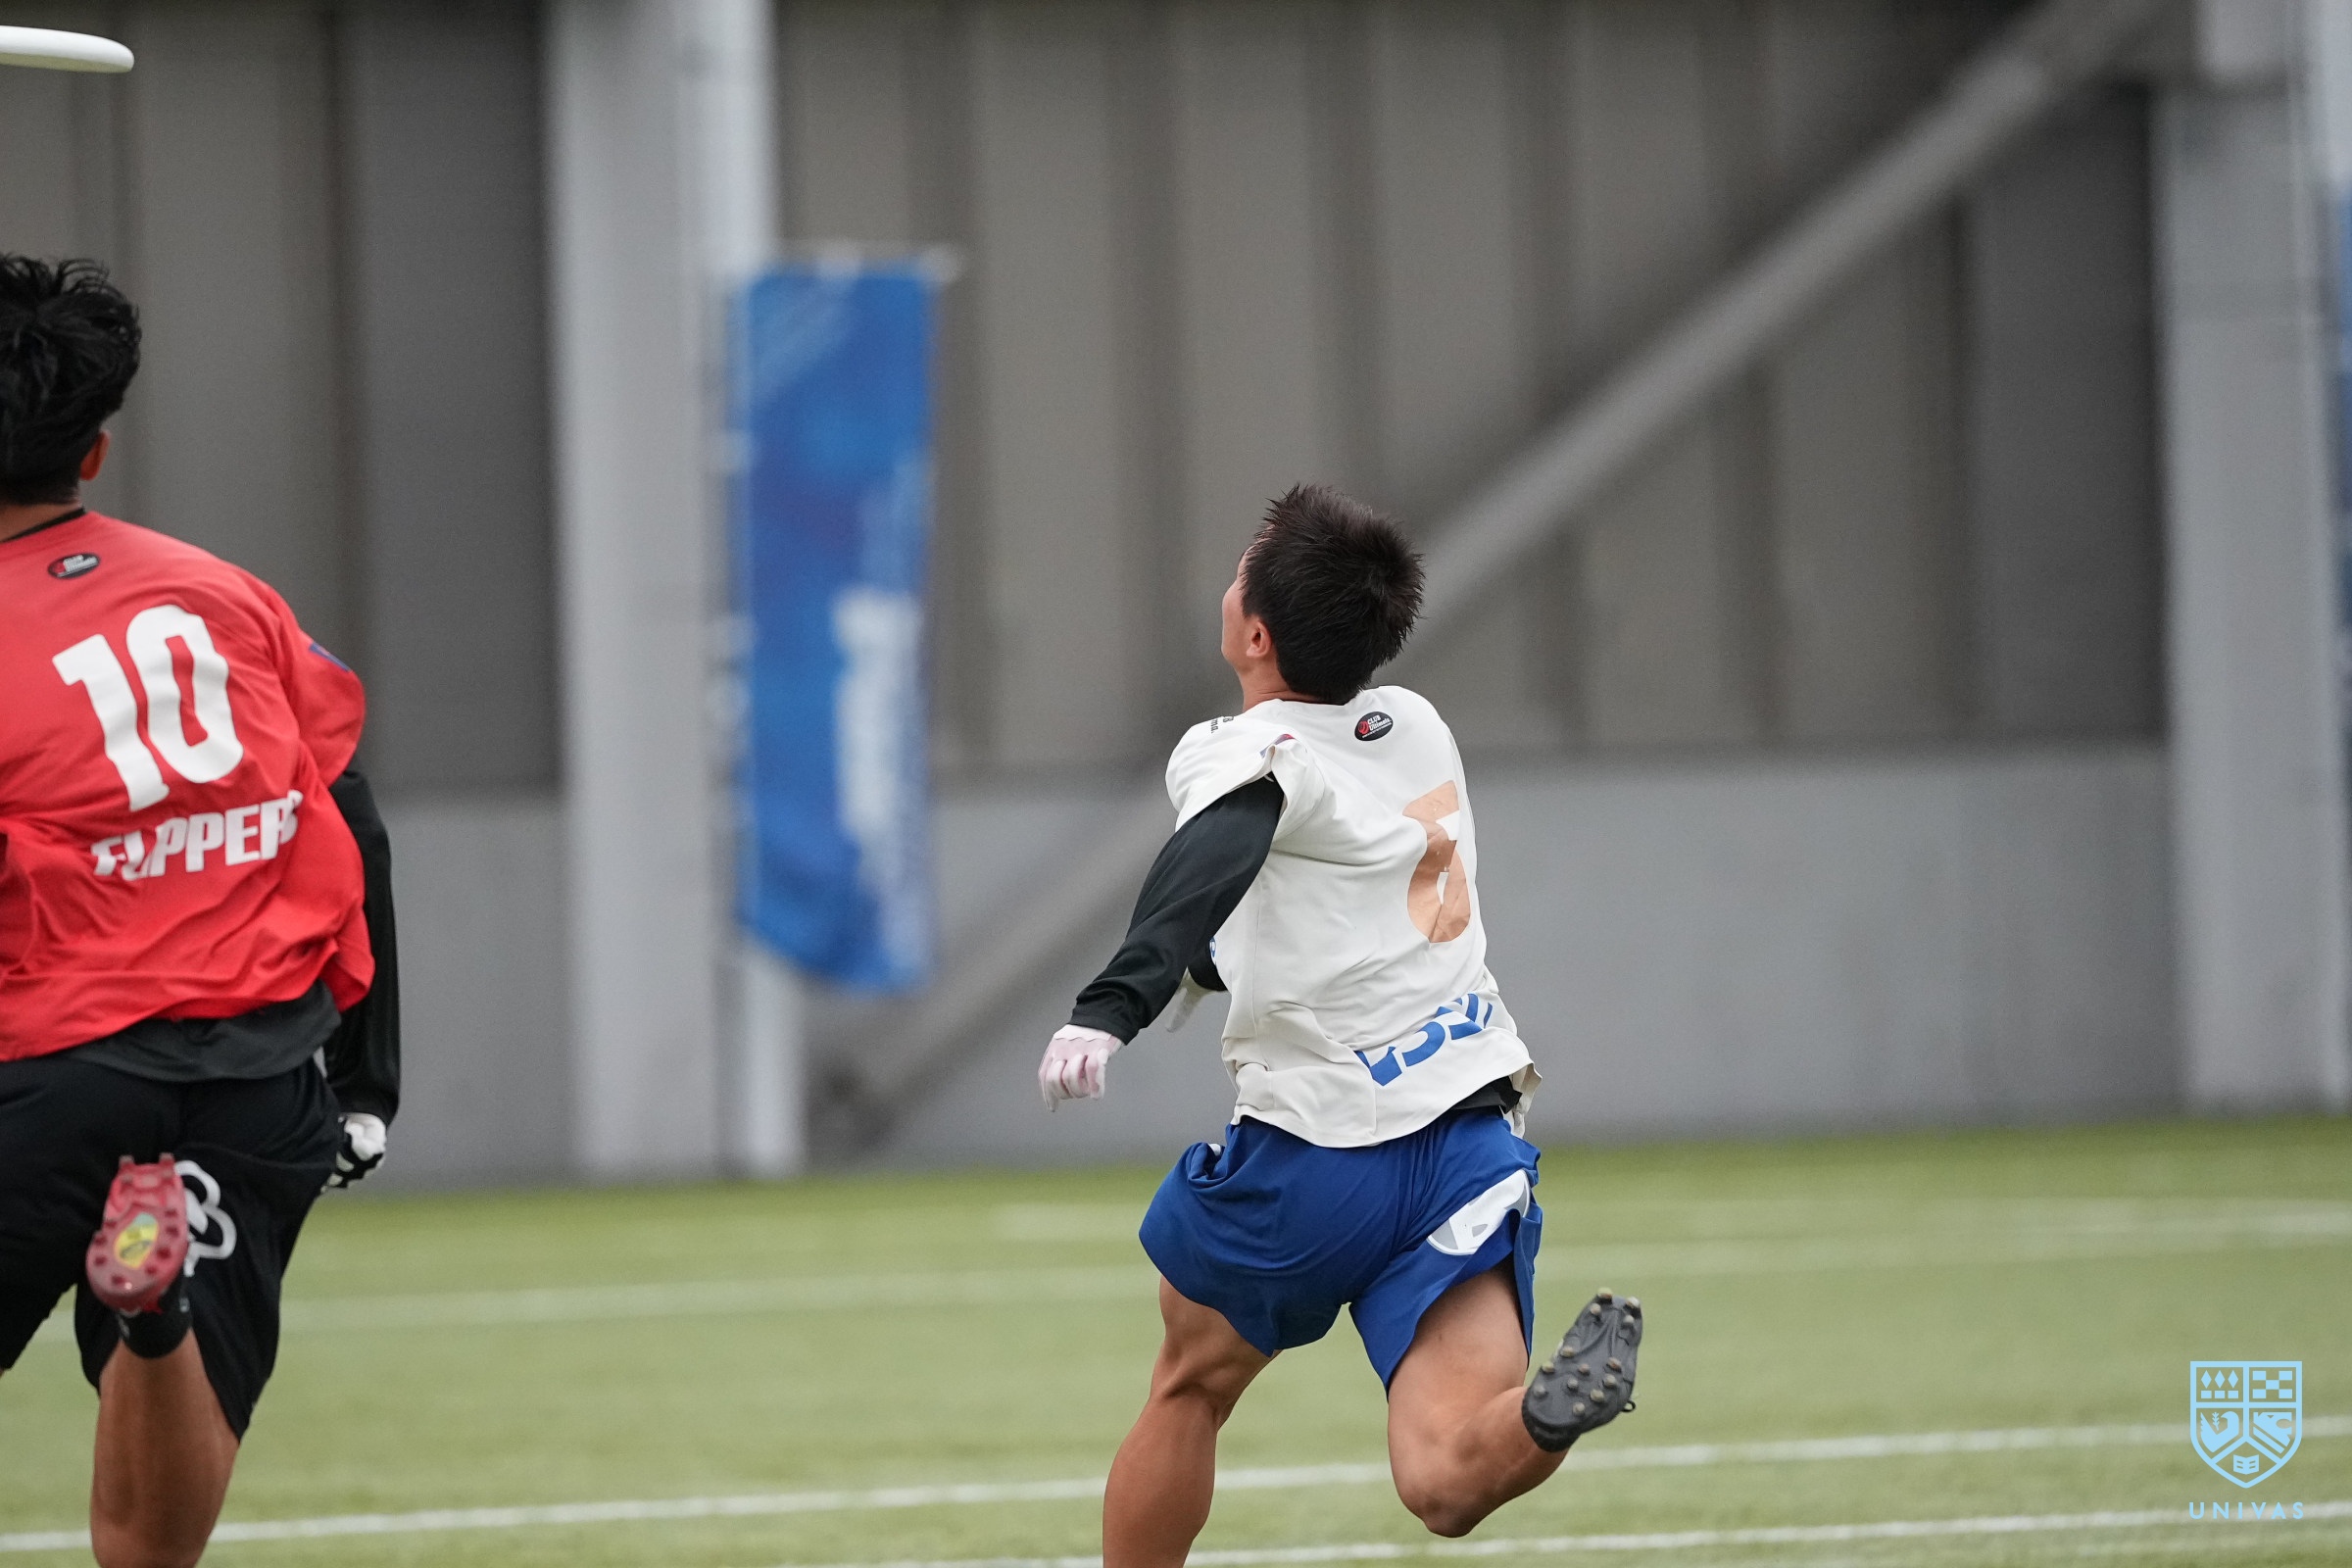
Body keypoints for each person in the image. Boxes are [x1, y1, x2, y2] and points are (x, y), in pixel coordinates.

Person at [1038, 484, 1642, 1565]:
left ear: (1255, 635)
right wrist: (1213, 967)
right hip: (1466, 1138)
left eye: (1242, 573)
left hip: (1322, 1151)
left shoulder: (1244, 746)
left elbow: (1215, 856)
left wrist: (1112, 1005)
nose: (1230, 583)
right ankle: (1537, 1420)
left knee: (1190, 1385)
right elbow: (1319, 892)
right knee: (1445, 1477)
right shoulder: (1415, 726)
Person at [0, 255, 399, 1568]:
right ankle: (152, 1312)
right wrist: (367, 1082)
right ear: (93, 453)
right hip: (256, 1075)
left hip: (46, 1071)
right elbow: (347, 809)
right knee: (148, 1543)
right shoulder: (226, 595)